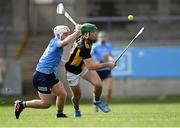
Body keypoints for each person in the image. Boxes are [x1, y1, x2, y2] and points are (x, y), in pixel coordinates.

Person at [14, 24, 81, 119]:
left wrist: (70, 64)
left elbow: (58, 61)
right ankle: (21, 104)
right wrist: (77, 32)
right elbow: (65, 42)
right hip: (41, 76)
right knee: (46, 104)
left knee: (62, 94)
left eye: (68, 34)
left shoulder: (56, 43)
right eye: (65, 34)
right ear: (59, 35)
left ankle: (60, 114)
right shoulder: (56, 42)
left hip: (49, 75)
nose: (67, 35)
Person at [65, 23, 116, 117]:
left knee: (98, 84)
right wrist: (108, 64)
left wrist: (78, 28)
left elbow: (78, 30)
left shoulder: (85, 37)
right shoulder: (83, 47)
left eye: (95, 31)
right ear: (87, 34)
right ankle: (76, 109)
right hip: (72, 71)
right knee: (77, 95)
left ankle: (96, 101)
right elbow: (91, 66)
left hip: (82, 66)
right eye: (93, 32)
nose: (95, 34)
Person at [91, 31, 114, 112]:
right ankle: (95, 104)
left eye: (103, 37)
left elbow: (110, 55)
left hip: (106, 70)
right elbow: (89, 56)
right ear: (98, 38)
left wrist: (112, 60)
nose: (102, 38)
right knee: (97, 88)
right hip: (97, 70)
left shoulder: (108, 45)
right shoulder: (94, 46)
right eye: (101, 37)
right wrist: (94, 62)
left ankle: (106, 104)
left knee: (109, 88)